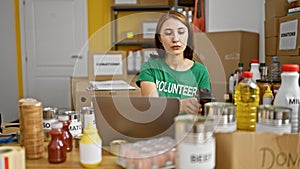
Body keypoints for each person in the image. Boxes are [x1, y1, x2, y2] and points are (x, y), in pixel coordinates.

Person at [136, 10, 211, 115]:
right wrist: (180, 106)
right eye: (168, 33)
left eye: (181, 32)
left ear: (188, 36)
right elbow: (151, 107)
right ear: (160, 38)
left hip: (190, 128)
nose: (176, 39)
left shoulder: (200, 71)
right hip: (159, 129)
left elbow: (204, 108)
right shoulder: (149, 68)